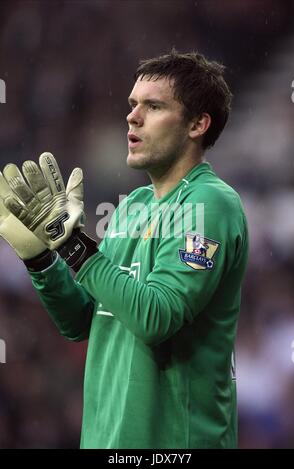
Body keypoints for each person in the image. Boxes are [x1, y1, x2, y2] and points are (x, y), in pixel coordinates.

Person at [0, 50, 248, 449]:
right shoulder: (133, 206)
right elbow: (84, 320)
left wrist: (74, 246)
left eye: (154, 106)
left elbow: (156, 317)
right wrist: (44, 259)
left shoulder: (210, 203)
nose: (132, 117)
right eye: (133, 105)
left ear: (198, 124)